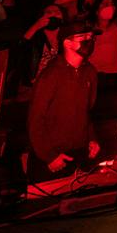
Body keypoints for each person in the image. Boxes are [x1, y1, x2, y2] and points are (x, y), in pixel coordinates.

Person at [26, 21, 100, 179]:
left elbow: (87, 112)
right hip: (54, 154)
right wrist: (49, 155)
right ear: (67, 42)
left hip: (79, 151)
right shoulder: (51, 75)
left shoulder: (90, 72)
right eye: (83, 37)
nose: (89, 40)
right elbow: (35, 119)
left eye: (91, 36)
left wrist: (92, 138)